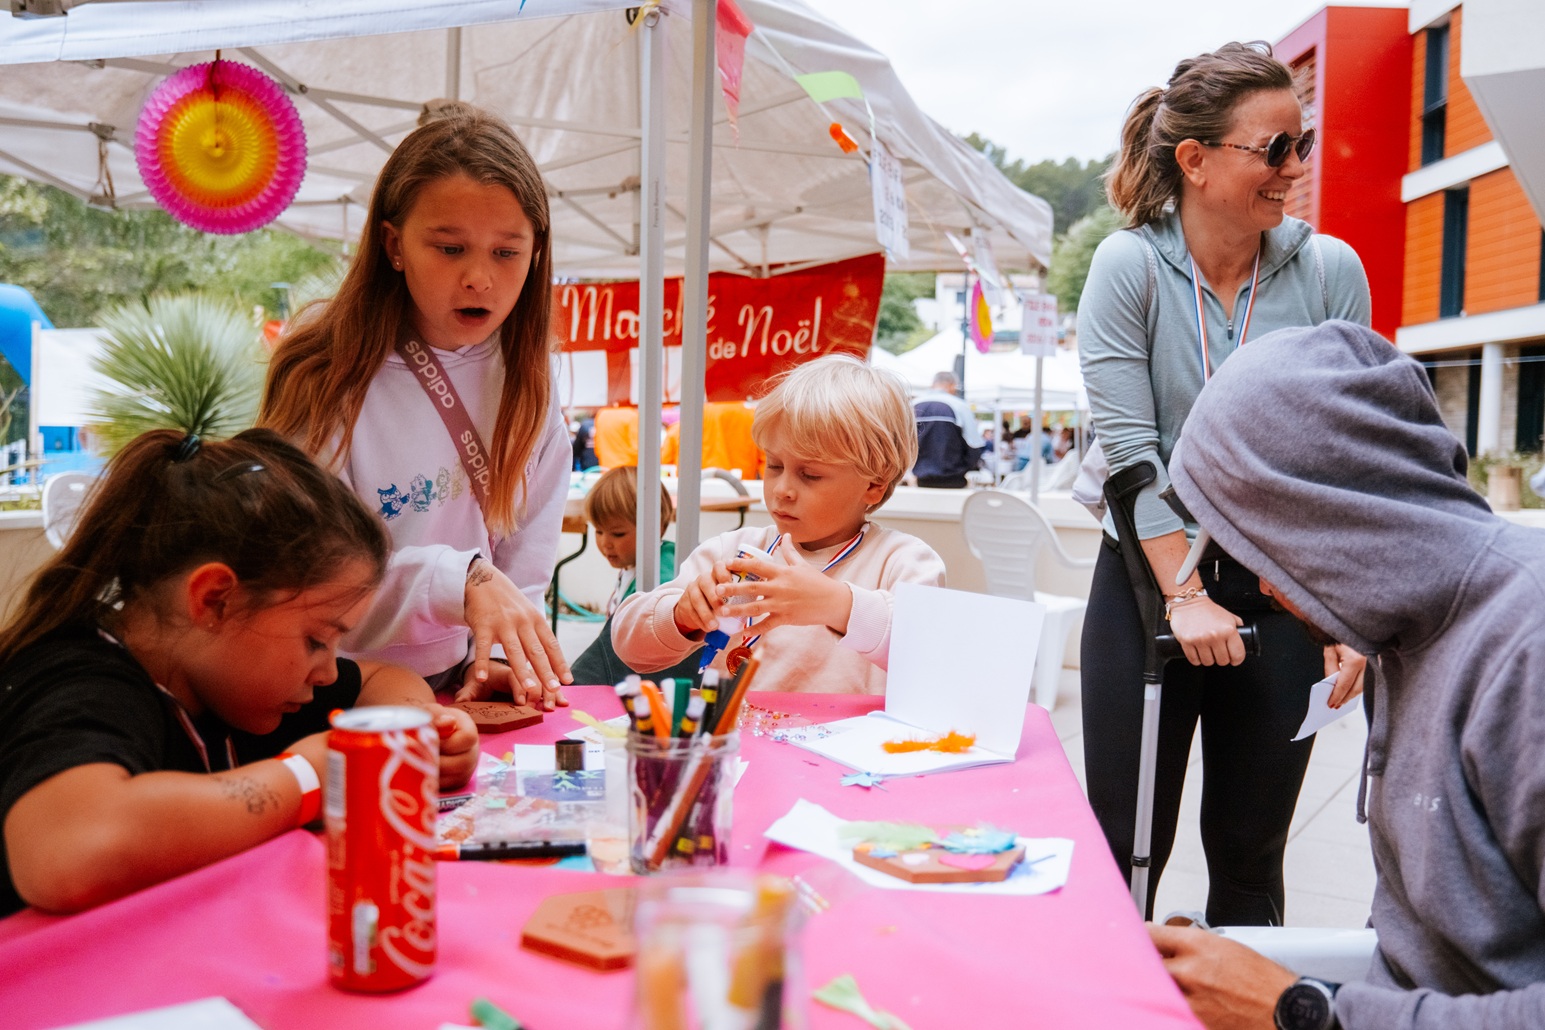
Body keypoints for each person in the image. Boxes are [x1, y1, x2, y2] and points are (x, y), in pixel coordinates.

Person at [1150, 319, 1545, 1029]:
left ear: (1330, 516)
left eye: (1258, 551)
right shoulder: (1405, 634)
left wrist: (1301, 1010)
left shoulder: (1526, 653)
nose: (1263, 590)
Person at [1077, 41, 1372, 925]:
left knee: (1250, 858)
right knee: (1124, 845)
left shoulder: (1328, 272)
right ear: (1195, 161)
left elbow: (1346, 456)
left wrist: (1345, 612)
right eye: (1273, 149)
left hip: (1280, 587)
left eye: (1300, 144)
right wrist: (1182, 593)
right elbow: (1131, 451)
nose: (1294, 169)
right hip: (1146, 578)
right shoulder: (1128, 267)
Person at [0, 430, 479, 917]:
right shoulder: (79, 681)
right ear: (214, 600)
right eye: (316, 640)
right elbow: (65, 852)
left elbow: (384, 680)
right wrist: (307, 776)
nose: (328, 670)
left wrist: (412, 733)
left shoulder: (227, 675)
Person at [260, 107, 573, 710]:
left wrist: (504, 654)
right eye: (450, 248)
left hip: (465, 678)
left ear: (537, 253)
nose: (479, 278)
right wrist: (460, 582)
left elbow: (528, 544)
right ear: (393, 244)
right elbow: (303, 569)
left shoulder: (531, 373)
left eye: (507, 252)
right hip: (337, 685)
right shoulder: (326, 372)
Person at [610, 355, 946, 693]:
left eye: (810, 475)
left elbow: (931, 657)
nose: (782, 489)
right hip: (737, 742)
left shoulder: (903, 562)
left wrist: (838, 605)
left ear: (874, 484)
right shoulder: (732, 551)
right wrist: (681, 615)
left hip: (845, 745)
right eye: (773, 465)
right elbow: (629, 647)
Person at [565, 466, 699, 687]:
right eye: (598, 531)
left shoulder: (662, 574)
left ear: (656, 527)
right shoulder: (633, 566)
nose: (605, 542)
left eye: (617, 534)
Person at [912, 370, 985, 489]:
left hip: (921, 480)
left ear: (933, 384)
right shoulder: (960, 406)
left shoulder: (913, 405)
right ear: (952, 385)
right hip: (954, 480)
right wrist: (967, 467)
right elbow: (974, 445)